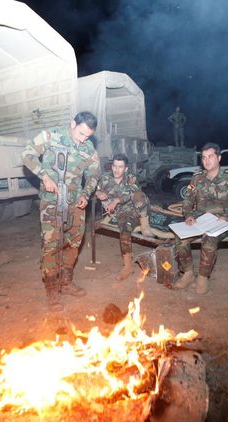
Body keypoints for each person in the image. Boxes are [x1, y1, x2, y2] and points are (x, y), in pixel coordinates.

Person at [21, 111, 101, 313]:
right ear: (72, 124)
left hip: (76, 203)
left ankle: (66, 282)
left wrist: (86, 193)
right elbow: (27, 154)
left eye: (87, 136)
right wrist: (44, 176)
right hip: (52, 202)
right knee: (52, 246)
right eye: (81, 133)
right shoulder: (50, 136)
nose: (83, 139)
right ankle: (52, 290)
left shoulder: (88, 147)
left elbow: (94, 174)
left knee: (74, 243)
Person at [173, 143, 228, 294]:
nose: (207, 161)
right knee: (180, 238)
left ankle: (202, 278)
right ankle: (187, 274)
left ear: (219, 158)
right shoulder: (196, 178)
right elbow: (187, 201)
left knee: (209, 239)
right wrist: (188, 216)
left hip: (222, 219)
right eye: (204, 157)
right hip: (200, 218)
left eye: (211, 156)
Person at [95, 153, 153, 281]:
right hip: (122, 212)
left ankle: (144, 223)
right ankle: (128, 267)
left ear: (126, 168)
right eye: (114, 166)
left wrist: (116, 200)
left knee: (139, 194)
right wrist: (99, 193)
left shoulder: (131, 178)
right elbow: (96, 190)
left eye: (120, 167)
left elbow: (132, 193)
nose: (116, 169)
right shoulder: (105, 178)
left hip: (135, 207)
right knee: (124, 231)